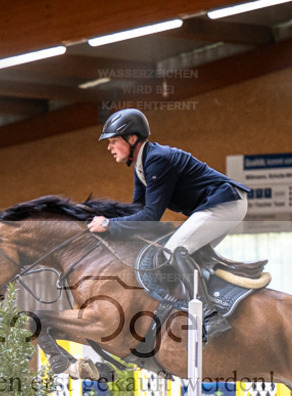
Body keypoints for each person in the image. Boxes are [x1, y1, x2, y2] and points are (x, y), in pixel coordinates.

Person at [88, 108, 251, 336]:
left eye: (114, 141)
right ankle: (211, 306)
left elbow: (150, 217)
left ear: (132, 139)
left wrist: (109, 225)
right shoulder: (142, 164)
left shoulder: (157, 160)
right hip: (220, 204)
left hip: (225, 203)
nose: (109, 147)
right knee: (188, 254)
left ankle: (209, 316)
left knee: (174, 250)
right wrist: (106, 220)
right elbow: (138, 210)